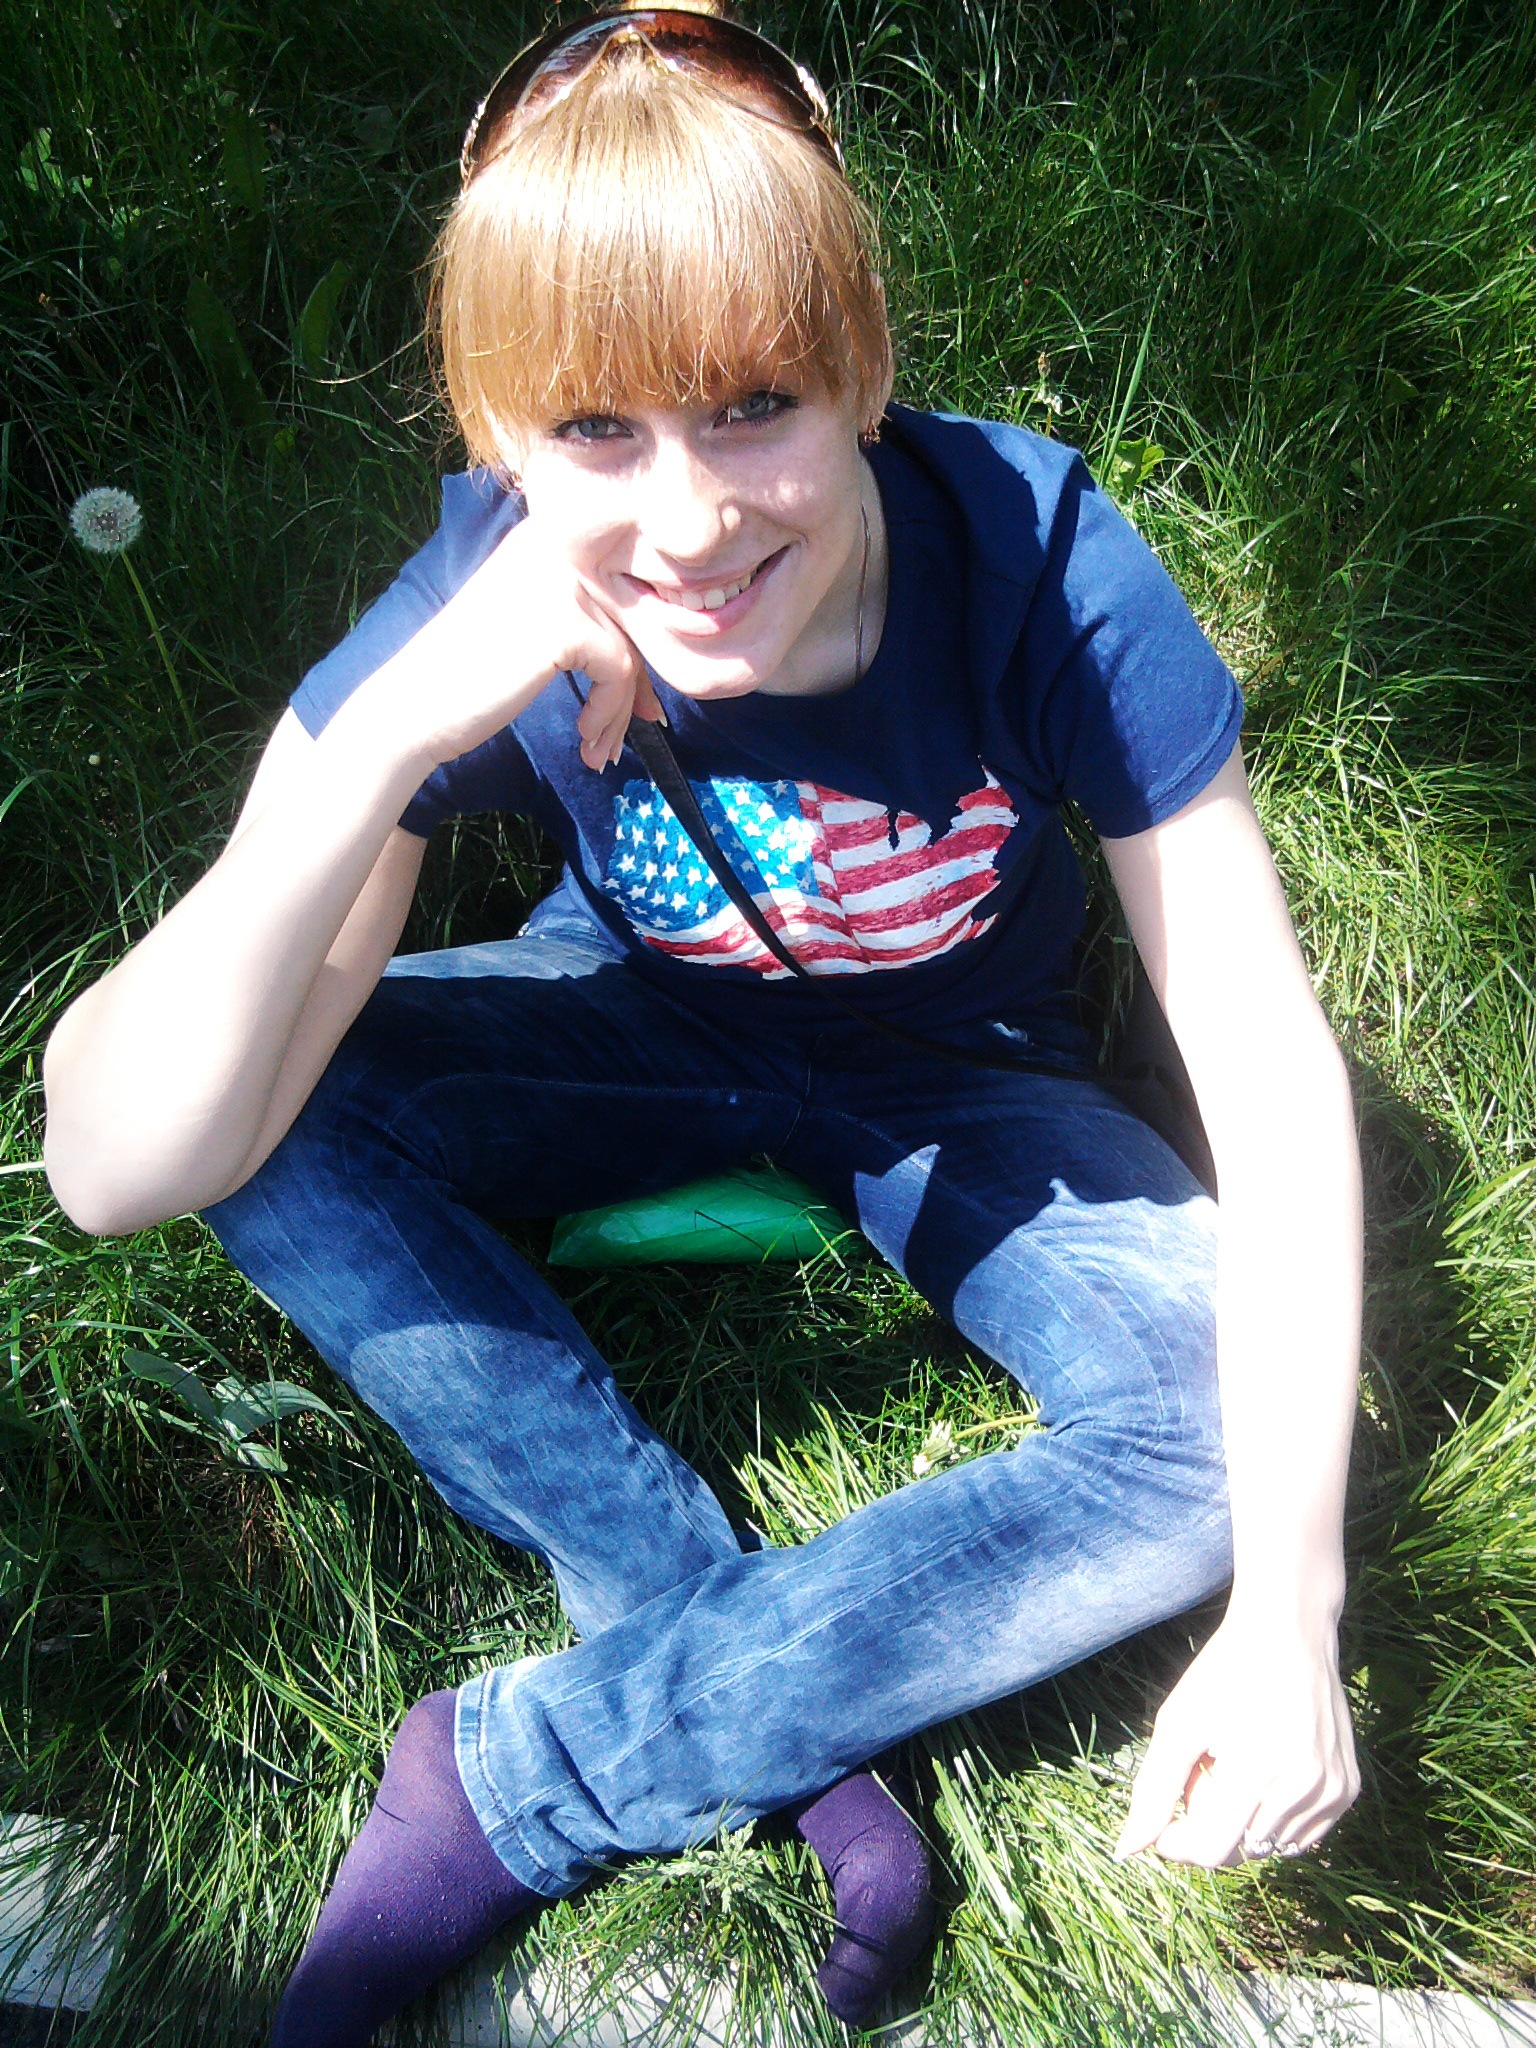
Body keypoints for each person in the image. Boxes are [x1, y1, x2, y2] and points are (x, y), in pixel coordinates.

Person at [41, 5, 1364, 2041]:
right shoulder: (479, 597)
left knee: (1218, 1433)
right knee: (274, 1121)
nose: (685, 523)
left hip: (973, 1088)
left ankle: (528, 1773)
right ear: (496, 432)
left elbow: (1267, 1074)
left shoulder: (1037, 559)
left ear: (865, 373)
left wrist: (1294, 1608)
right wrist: (381, 746)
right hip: (637, 1015)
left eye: (755, 406)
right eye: (594, 429)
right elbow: (120, 1161)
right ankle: (737, 1669)